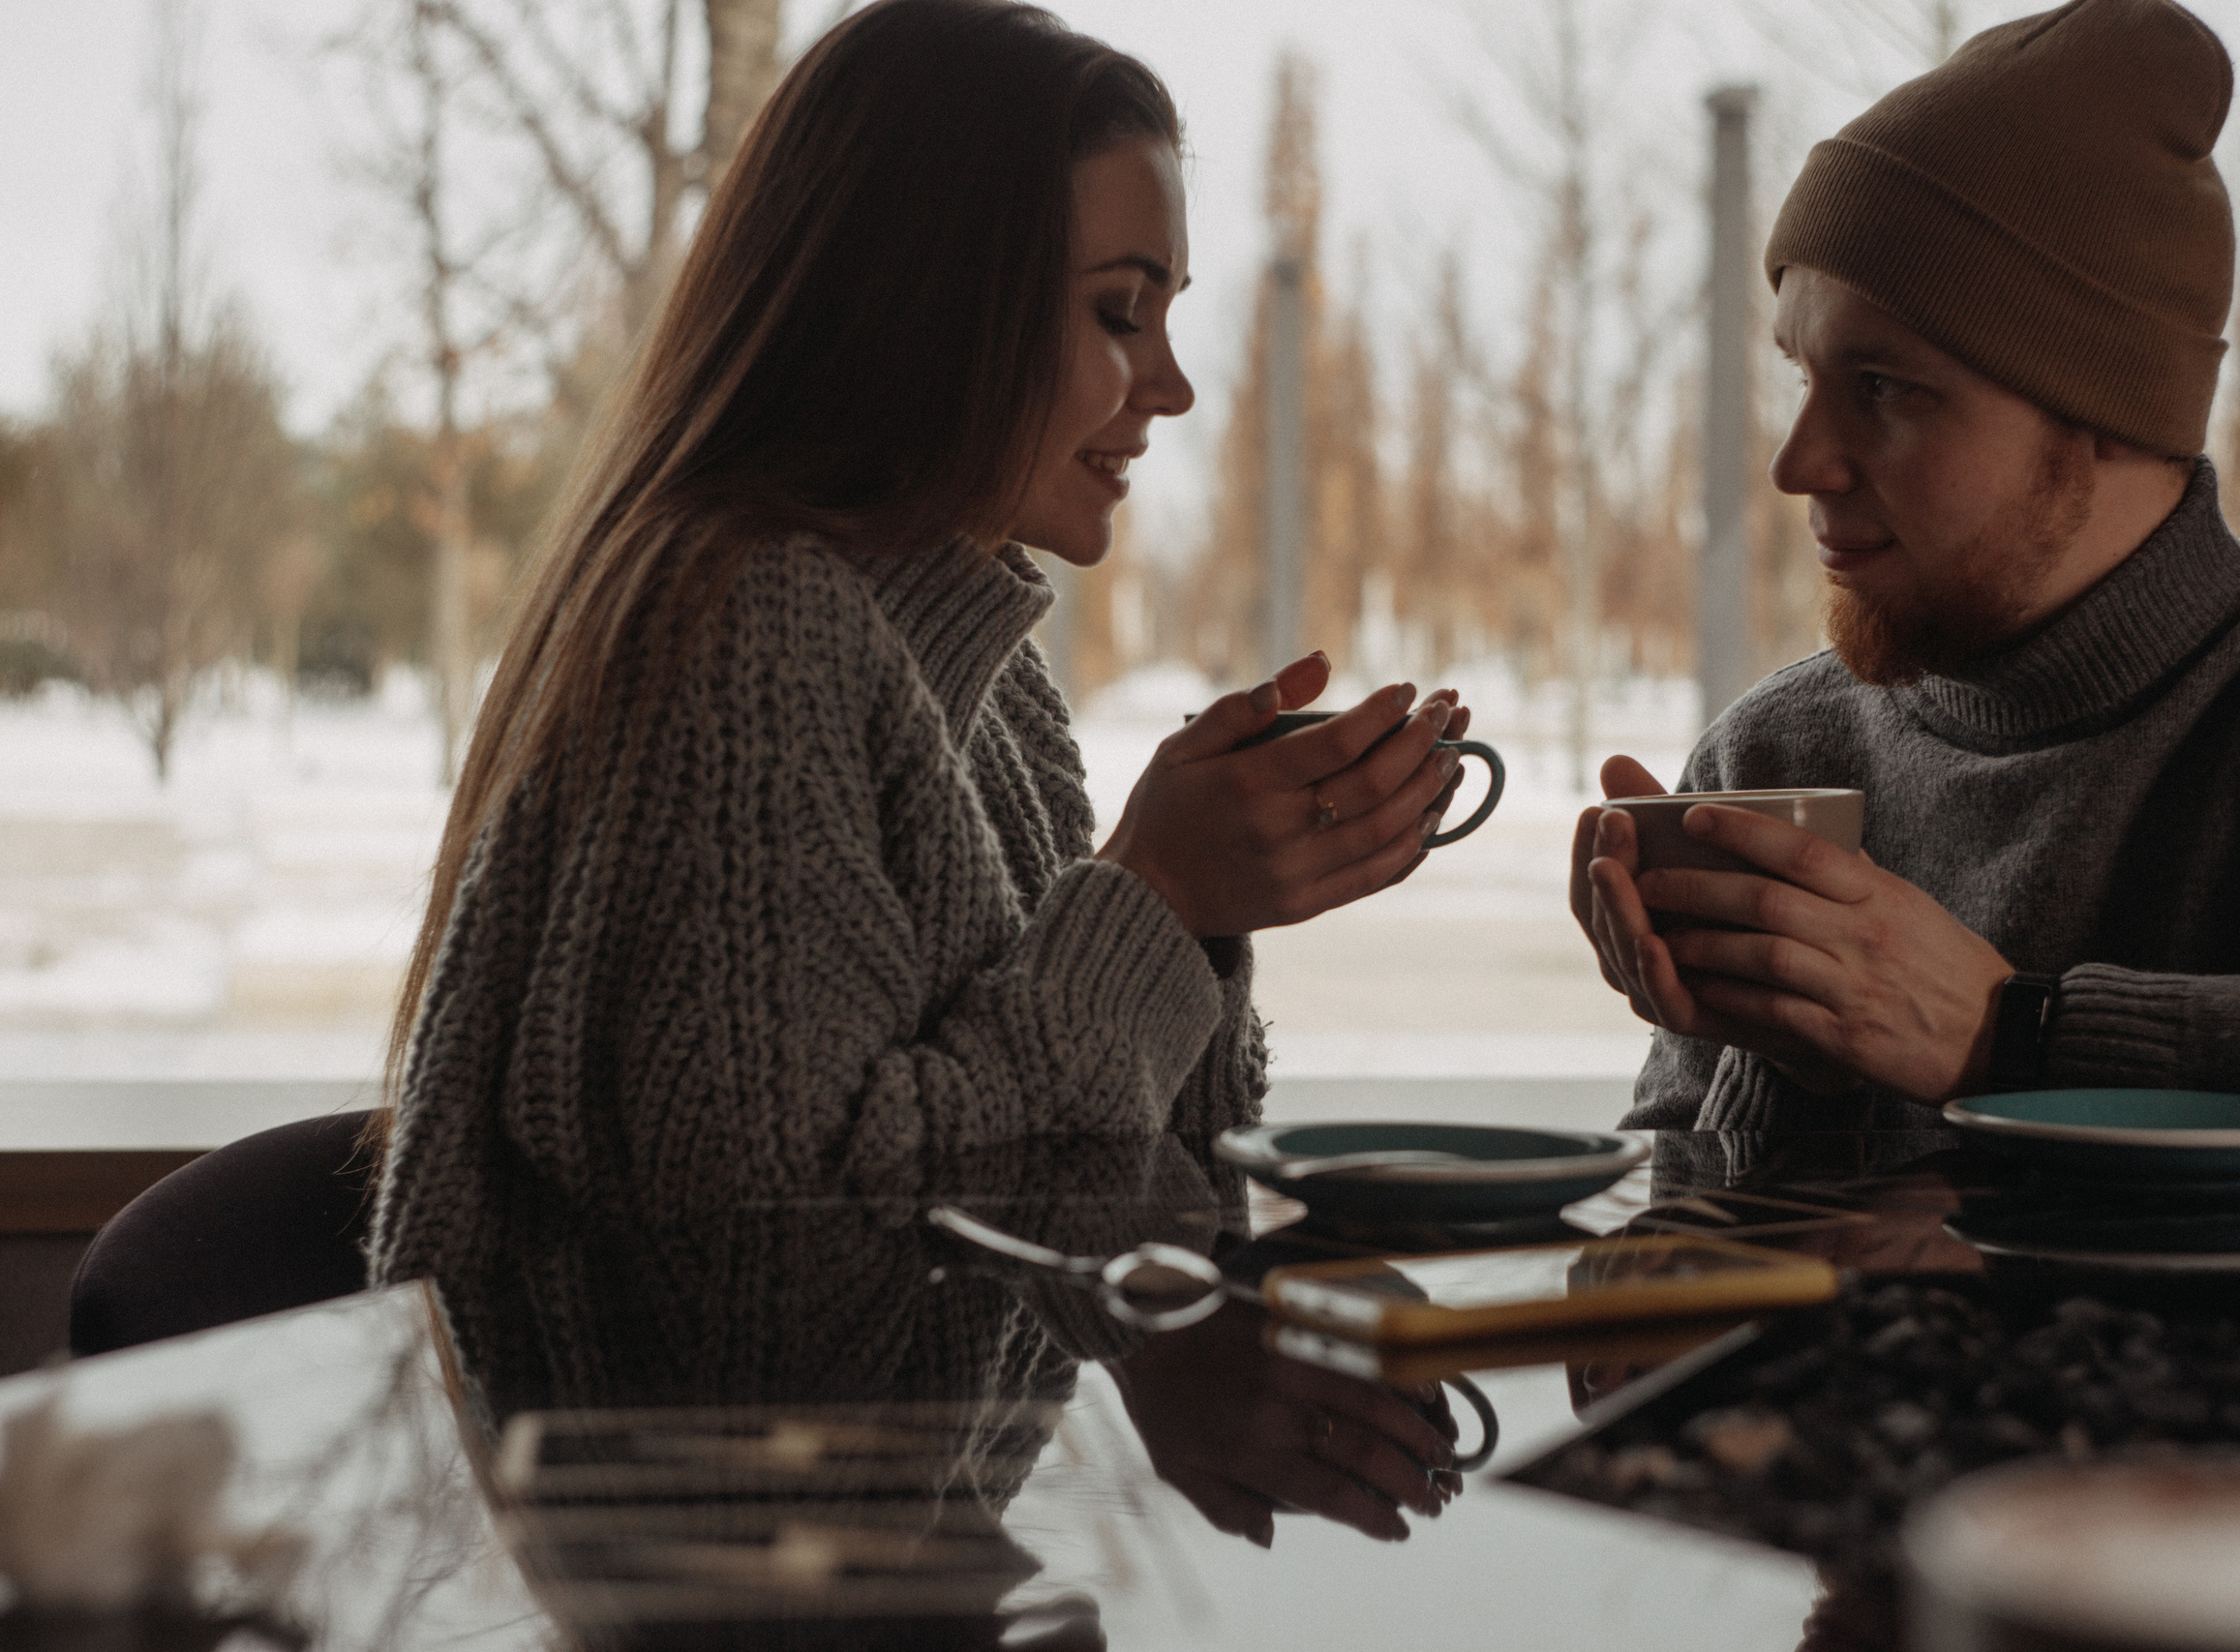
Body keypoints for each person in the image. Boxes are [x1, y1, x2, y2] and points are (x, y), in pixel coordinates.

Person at [367, 0, 1472, 1411]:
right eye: (1120, 311)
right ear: (932, 296)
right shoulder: (746, 633)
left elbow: (1111, 1208)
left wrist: (1203, 908)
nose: (1176, 386)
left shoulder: (986, 673)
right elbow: (783, 1308)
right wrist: (1145, 899)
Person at [1573, 0, 2240, 1139]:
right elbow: (1690, 1278)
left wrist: (2015, 1040)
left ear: (2106, 410)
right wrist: (1778, 1048)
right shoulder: (1775, 758)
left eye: (1884, 388)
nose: (1798, 464)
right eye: (1802, 375)